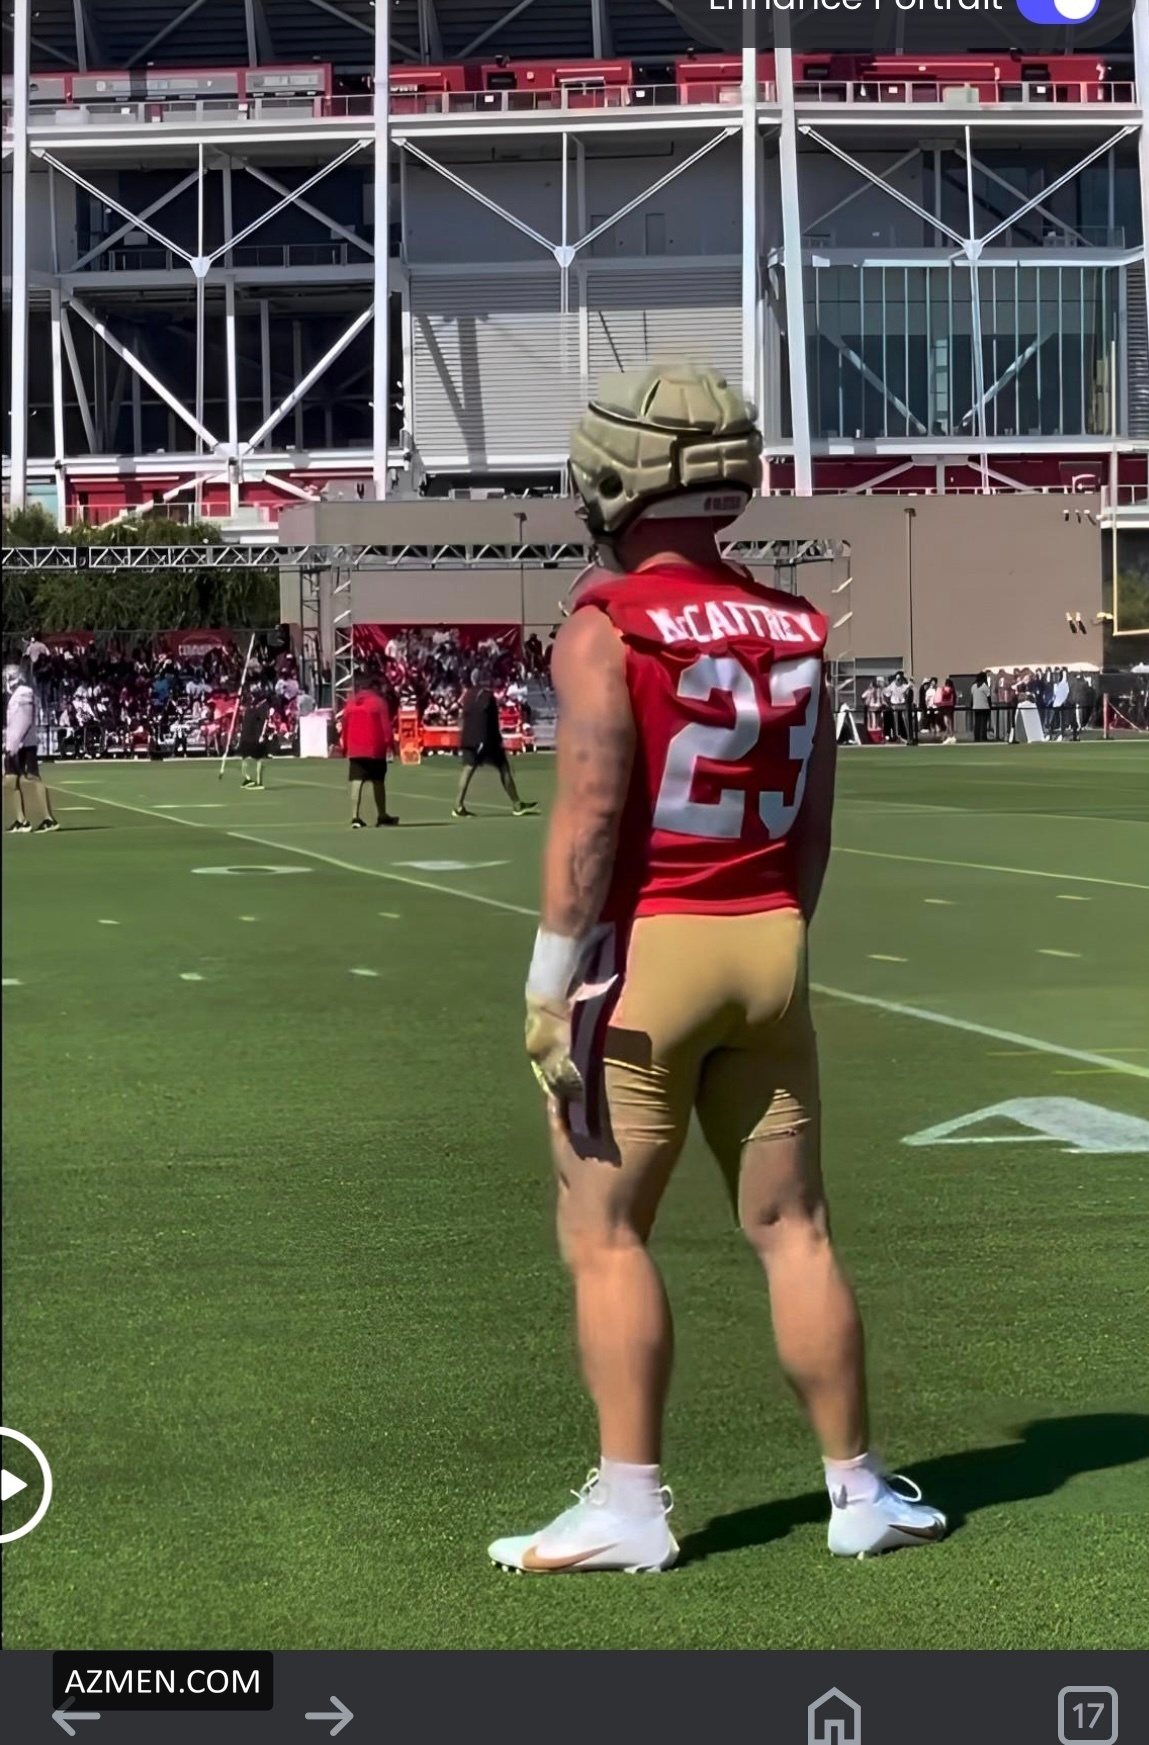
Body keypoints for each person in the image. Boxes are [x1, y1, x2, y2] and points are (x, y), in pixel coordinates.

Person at [487, 363, 946, 1574]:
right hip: (770, 940)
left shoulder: (608, 622)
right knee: (796, 1228)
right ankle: (859, 1489)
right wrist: (778, 936)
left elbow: (591, 818)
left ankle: (631, 1503)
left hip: (650, 953)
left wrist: (547, 981)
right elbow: (815, 825)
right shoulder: (796, 625)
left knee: (604, 1230)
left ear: (617, 476)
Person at [452, 669, 537, 818]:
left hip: (469, 738)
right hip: (485, 739)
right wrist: (495, 740)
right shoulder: (486, 696)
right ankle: (517, 804)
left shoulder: (468, 694)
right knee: (503, 767)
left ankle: (458, 805)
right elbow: (488, 720)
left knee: (468, 769)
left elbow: (465, 717)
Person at [4, 664, 59, 834]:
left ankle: (48, 819)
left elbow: (24, 721)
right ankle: (21, 820)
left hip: (24, 744)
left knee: (33, 778)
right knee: (10, 781)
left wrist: (14, 744)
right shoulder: (17, 695)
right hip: (16, 744)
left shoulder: (23, 693)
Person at [339, 672, 398, 828]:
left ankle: (355, 816)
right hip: (375, 748)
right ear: (374, 686)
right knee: (378, 781)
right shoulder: (379, 702)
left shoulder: (351, 703)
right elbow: (386, 727)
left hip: (355, 748)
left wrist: (345, 747)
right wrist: (390, 745)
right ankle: (382, 815)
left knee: (356, 781)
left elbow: (345, 726)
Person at [237, 683, 271, 790]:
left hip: (255, 736)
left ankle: (259, 782)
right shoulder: (250, 704)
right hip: (246, 735)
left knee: (259, 758)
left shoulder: (263, 705)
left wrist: (262, 735)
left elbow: (265, 721)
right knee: (244, 758)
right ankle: (247, 779)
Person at [970, 670, 992, 742]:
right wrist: (990, 705)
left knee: (977, 723)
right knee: (984, 723)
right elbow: (988, 697)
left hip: (976, 707)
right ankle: (983, 737)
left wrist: (971, 705)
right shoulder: (985, 686)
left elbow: (972, 697)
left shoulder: (973, 686)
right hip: (984, 707)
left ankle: (976, 737)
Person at [936, 676, 957, 744]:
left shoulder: (946, 690)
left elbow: (943, 695)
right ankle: (950, 735)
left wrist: (941, 689)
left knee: (947, 721)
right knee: (949, 721)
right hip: (950, 707)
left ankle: (949, 736)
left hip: (945, 706)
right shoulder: (952, 690)